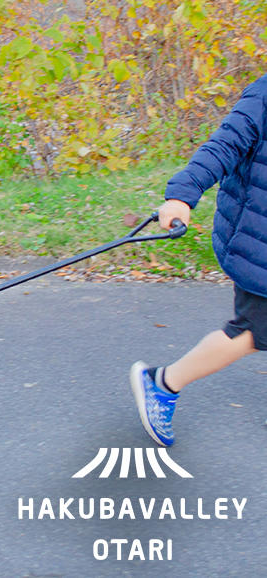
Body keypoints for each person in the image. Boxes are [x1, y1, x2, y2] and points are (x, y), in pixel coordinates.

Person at [130, 72, 267, 447]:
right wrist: (182, 195)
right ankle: (163, 382)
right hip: (259, 244)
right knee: (251, 333)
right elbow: (223, 146)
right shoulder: (264, 96)